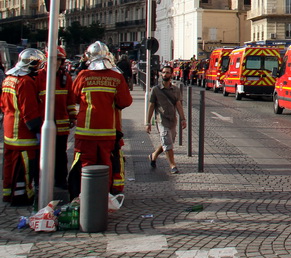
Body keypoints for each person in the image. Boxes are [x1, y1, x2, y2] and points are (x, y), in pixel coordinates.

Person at [70, 41, 132, 196]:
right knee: (107, 163)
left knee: (85, 163)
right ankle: (105, 195)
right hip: (107, 130)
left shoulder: (83, 76)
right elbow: (125, 102)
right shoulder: (116, 77)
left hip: (85, 131)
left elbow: (74, 97)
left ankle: (84, 194)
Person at [1, 48, 45, 205]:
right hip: (23, 133)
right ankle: (23, 196)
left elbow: (3, 104)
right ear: (32, 64)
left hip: (8, 130)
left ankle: (8, 193)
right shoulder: (25, 82)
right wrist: (38, 130)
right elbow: (29, 110)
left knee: (9, 164)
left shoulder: (8, 79)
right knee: (25, 167)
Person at [35, 47, 78, 189]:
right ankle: (40, 181)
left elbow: (70, 100)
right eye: (55, 59)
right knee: (41, 154)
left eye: (60, 60)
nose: (58, 63)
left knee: (60, 154)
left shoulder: (65, 78)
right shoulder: (39, 77)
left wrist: (73, 117)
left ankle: (60, 180)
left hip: (61, 124)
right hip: (43, 124)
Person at [145, 65, 186, 174]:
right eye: (163, 72)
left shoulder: (176, 90)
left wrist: (183, 119)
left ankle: (153, 155)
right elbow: (151, 106)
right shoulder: (156, 90)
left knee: (168, 142)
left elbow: (178, 105)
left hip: (172, 120)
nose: (165, 74)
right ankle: (173, 165)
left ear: (171, 75)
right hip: (161, 120)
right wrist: (147, 122)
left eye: (167, 72)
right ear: (160, 74)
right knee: (167, 143)